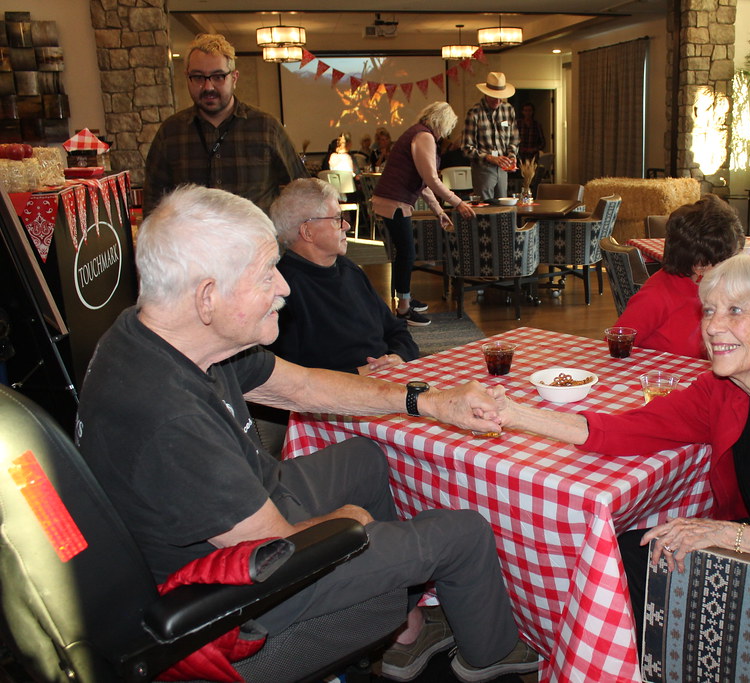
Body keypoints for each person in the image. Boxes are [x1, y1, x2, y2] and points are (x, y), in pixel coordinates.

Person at [75, 185, 538, 683]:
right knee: (462, 533)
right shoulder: (167, 418)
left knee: (366, 456)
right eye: (265, 274)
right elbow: (276, 551)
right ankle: (490, 655)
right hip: (241, 593)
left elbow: (302, 387)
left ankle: (405, 627)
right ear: (208, 296)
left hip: (249, 509)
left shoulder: (166, 333)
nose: (285, 286)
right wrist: (351, 522)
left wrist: (424, 401)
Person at [489, 249, 750, 637]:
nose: (712, 326)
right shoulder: (725, 389)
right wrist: (516, 414)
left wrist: (726, 536)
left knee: (638, 568)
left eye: (735, 311)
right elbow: (629, 428)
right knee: (624, 555)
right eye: (709, 310)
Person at [143, 33, 307, 215]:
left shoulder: (267, 128)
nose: (208, 87)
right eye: (198, 77)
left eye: (218, 76)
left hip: (256, 242)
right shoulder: (171, 132)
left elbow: (301, 189)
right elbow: (154, 201)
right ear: (187, 77)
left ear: (234, 78)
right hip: (193, 242)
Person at [269, 177, 418, 375]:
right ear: (307, 231)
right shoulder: (283, 289)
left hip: (387, 379)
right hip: (338, 399)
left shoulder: (349, 270)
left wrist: (397, 357)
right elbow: (289, 378)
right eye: (337, 219)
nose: (346, 225)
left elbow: (396, 330)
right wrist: (358, 374)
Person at [372, 102, 476, 326]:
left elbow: (423, 183)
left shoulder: (418, 133)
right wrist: (457, 203)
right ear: (442, 122)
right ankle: (403, 309)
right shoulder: (424, 137)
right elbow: (431, 179)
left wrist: (439, 210)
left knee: (405, 252)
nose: (446, 134)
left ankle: (405, 298)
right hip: (394, 202)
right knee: (407, 253)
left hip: (392, 200)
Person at [615, 194, 745, 359]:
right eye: (730, 260)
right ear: (700, 265)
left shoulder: (719, 289)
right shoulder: (656, 296)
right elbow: (615, 347)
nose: (737, 265)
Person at [463, 72, 520, 200]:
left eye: (501, 97)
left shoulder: (508, 110)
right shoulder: (474, 113)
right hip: (483, 168)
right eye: (495, 97)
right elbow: (466, 148)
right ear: (486, 93)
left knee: (503, 208)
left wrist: (511, 157)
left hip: (503, 169)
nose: (498, 101)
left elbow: (514, 140)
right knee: (485, 211)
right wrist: (489, 158)